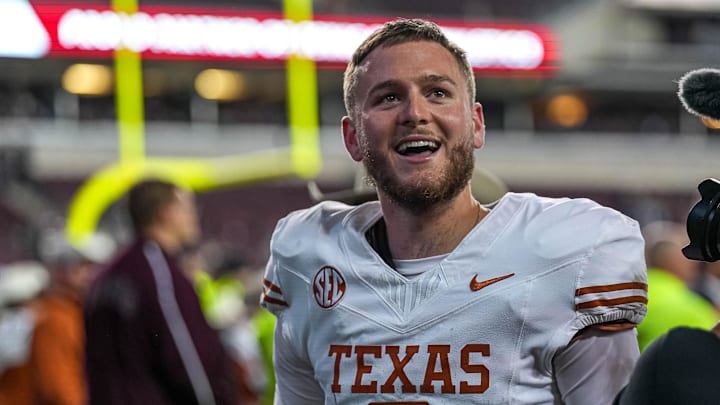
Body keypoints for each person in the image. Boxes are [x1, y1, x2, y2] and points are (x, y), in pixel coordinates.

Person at [260, 18, 648, 404]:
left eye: (438, 92)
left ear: (476, 125)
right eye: (388, 97)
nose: (414, 113)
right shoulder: (308, 255)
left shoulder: (568, 251)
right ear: (353, 139)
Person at [83, 179, 239, 405]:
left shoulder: (105, 277)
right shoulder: (158, 273)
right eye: (187, 208)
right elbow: (190, 361)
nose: (194, 217)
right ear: (166, 213)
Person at [25, 229, 114, 405]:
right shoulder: (54, 318)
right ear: (61, 270)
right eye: (82, 266)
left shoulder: (77, 311)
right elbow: (59, 390)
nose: (90, 273)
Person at [636, 221, 718, 350]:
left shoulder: (626, 296)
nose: (694, 263)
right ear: (674, 262)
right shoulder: (694, 307)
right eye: (687, 258)